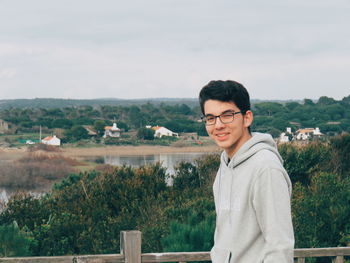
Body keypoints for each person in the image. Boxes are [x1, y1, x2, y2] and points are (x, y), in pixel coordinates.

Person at [199, 80, 294, 263]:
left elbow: (279, 247)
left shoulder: (265, 167)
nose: (218, 125)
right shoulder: (226, 164)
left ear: (247, 118)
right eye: (210, 118)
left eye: (227, 115)